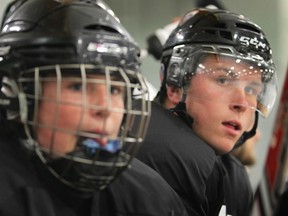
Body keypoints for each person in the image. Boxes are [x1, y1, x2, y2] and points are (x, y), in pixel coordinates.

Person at [0, 0, 188, 215]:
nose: (106, 108)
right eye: (78, 86)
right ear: (12, 95)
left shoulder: (149, 195)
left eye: (115, 90)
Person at [136, 8, 278, 216]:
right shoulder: (167, 154)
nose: (242, 103)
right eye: (223, 79)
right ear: (175, 85)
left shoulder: (232, 174)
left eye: (251, 90)